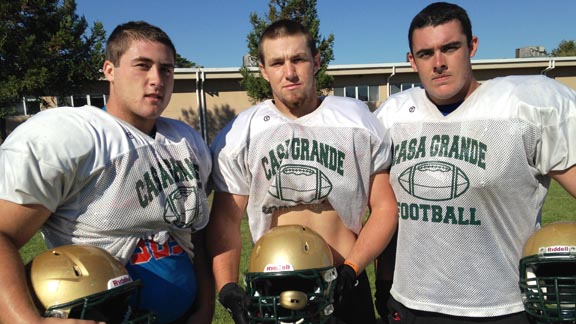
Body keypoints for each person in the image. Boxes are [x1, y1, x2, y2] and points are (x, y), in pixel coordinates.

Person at [374, 2, 576, 323]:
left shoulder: (522, 107)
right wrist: (384, 280)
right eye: (426, 54)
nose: (438, 63)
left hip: (501, 305)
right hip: (411, 303)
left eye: (450, 48)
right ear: (412, 61)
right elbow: (386, 213)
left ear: (472, 46)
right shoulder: (393, 117)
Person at [0, 21, 214, 324]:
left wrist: (204, 307)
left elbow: (198, 235)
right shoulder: (71, 136)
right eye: (142, 65)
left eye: (166, 69)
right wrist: (25, 322)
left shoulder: (186, 140)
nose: (156, 79)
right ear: (109, 70)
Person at [207, 19, 398, 324]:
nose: (290, 72)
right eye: (277, 62)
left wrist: (353, 266)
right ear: (263, 70)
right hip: (273, 284)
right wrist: (228, 287)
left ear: (316, 61)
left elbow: (385, 206)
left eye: (298, 59)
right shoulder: (241, 132)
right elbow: (226, 220)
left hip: (346, 276)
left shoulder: (357, 119)